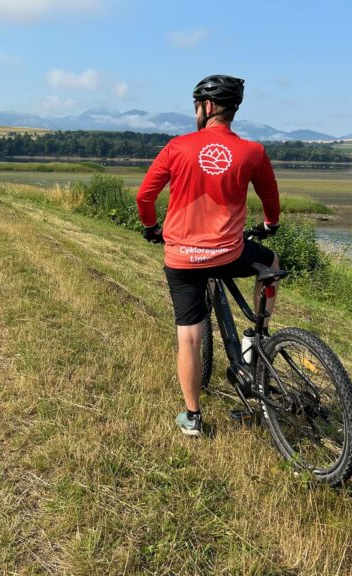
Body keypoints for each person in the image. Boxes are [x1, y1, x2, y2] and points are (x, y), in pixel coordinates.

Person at [136, 74, 281, 437]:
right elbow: (270, 200)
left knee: (188, 337)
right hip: (229, 253)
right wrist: (268, 224)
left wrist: (152, 228)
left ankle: (193, 418)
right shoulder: (252, 151)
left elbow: (144, 197)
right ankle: (256, 340)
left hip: (183, 259)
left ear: (208, 107)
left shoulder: (178, 147)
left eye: (197, 105)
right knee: (272, 263)